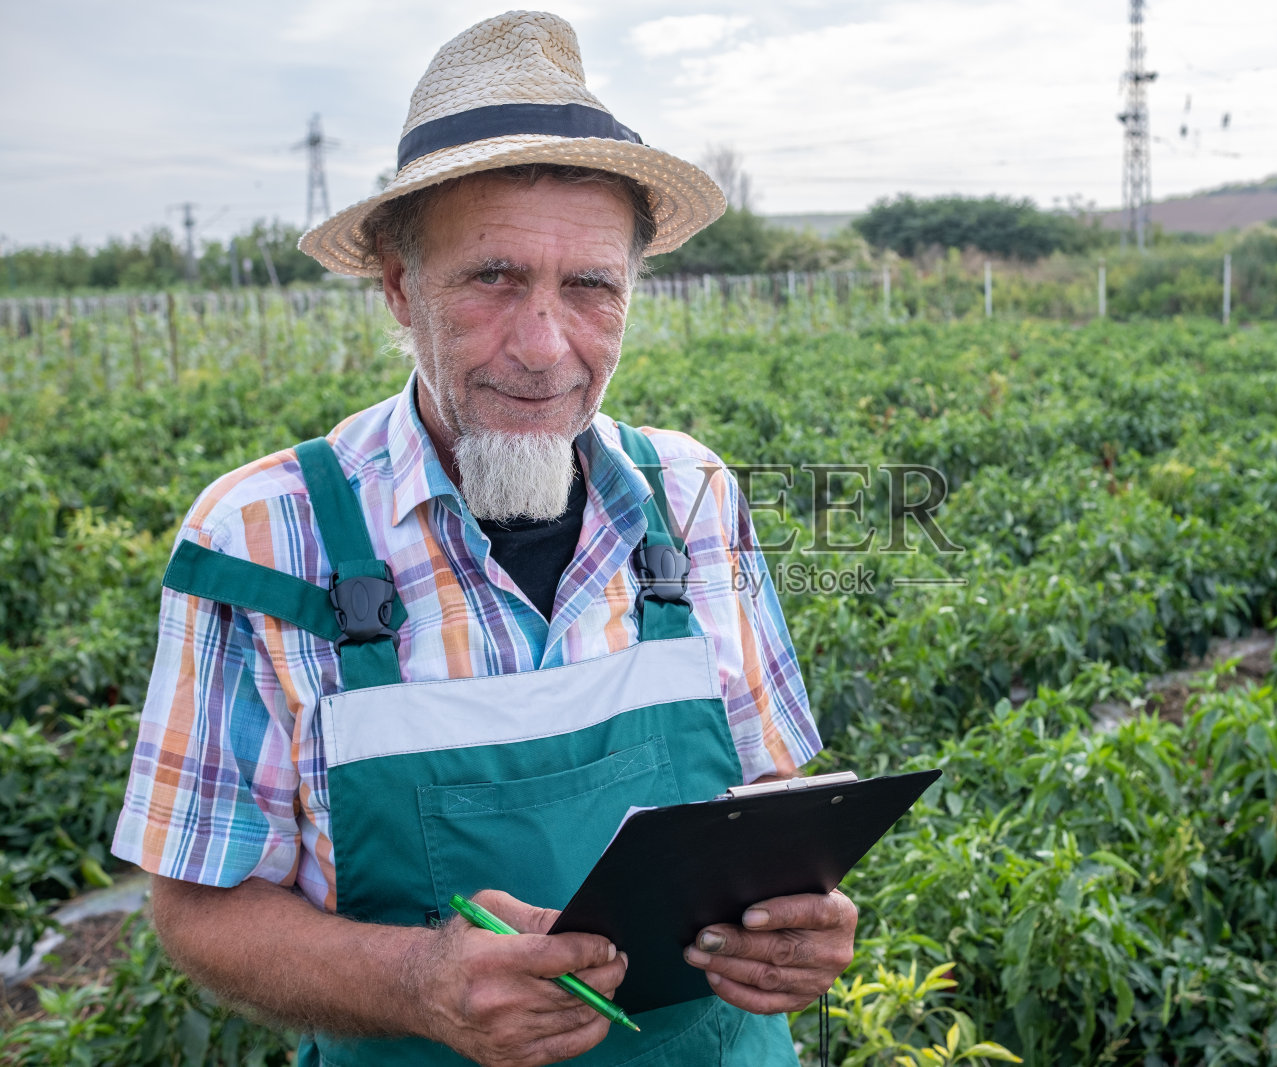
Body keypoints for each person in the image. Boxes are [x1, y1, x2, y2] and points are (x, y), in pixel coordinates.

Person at [111, 12, 855, 1066]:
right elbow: (199, 907)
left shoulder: (692, 494)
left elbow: (766, 791)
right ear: (399, 287)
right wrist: (418, 981)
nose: (544, 347)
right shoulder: (261, 538)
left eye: (590, 287)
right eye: (493, 278)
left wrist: (796, 912)